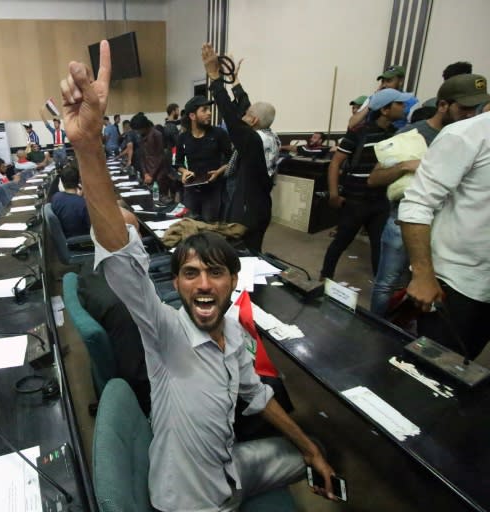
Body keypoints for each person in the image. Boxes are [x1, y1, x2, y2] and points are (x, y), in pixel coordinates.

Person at [60, 39, 337, 512]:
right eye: (189, 273)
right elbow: (122, 258)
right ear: (177, 285)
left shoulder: (233, 331)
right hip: (194, 498)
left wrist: (309, 446)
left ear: (235, 281)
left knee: (320, 455)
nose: (204, 283)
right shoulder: (163, 333)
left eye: (215, 273)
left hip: (232, 465)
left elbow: (254, 393)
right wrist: (88, 146)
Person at [368, 74, 486, 316]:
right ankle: (376, 332)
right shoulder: (413, 133)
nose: (472, 115)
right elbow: (374, 178)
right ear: (444, 105)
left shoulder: (478, 136)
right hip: (402, 220)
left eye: (478, 107)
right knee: (388, 283)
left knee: (414, 292)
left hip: (443, 233)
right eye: (465, 108)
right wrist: (405, 166)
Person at [399, 93, 490, 360]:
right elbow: (417, 203)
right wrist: (423, 274)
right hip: (456, 281)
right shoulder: (467, 135)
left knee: (466, 361)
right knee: (433, 366)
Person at [320, 88, 410, 280]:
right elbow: (335, 163)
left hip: (380, 202)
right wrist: (334, 194)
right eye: (399, 103)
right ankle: (325, 278)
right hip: (355, 201)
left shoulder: (397, 134)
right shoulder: (358, 134)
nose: (404, 107)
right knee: (341, 242)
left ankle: (379, 285)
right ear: (385, 110)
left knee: (379, 246)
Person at [201, 44, 273, 251]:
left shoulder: (253, 140)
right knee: (253, 252)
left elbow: (232, 119)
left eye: (247, 115)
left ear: (253, 120)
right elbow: (244, 106)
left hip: (248, 211)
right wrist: (234, 81)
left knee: (241, 256)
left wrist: (215, 80)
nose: (243, 115)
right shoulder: (268, 134)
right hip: (260, 205)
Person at [176, 95, 232, 223]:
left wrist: (218, 172)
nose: (209, 113)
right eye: (204, 110)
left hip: (213, 189)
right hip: (191, 188)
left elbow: (231, 160)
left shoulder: (219, 134)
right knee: (190, 223)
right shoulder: (183, 138)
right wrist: (184, 171)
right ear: (192, 116)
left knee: (209, 224)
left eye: (209, 109)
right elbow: (178, 163)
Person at [130, 113, 170, 201]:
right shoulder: (141, 136)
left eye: (138, 130)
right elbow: (142, 156)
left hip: (159, 172)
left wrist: (151, 174)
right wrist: (145, 173)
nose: (137, 132)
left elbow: (160, 157)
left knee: (161, 198)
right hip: (148, 173)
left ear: (144, 126)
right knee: (148, 199)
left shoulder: (157, 134)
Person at [50, 164, 90, 237]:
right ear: (78, 180)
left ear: (61, 181)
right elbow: (91, 227)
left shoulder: (55, 197)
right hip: (81, 240)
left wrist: (78, 197)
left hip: (64, 236)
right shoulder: (83, 203)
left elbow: (70, 203)